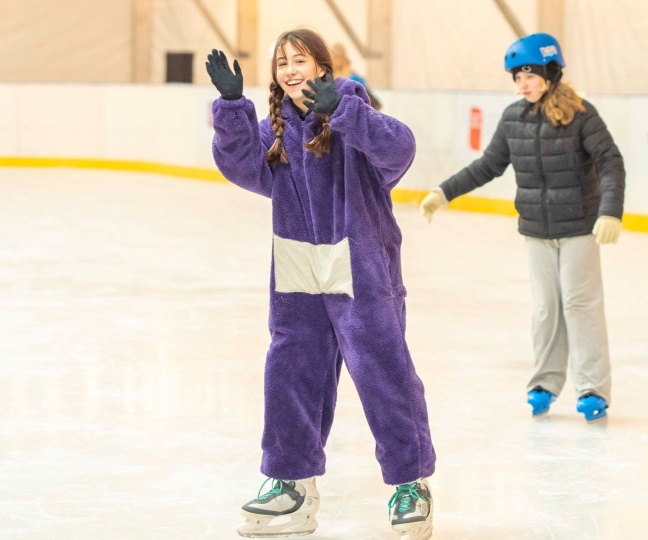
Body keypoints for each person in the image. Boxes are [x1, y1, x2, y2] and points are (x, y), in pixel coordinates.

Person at [205, 28, 435, 539]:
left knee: (383, 373)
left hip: (360, 268)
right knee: (289, 374)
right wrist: (232, 107)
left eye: (300, 60)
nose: (290, 70)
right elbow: (242, 167)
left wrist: (345, 112)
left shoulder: (352, 108)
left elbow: (399, 151)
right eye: (281, 62)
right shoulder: (277, 128)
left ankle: (410, 483)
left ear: (323, 68)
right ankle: (292, 484)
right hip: (298, 269)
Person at [419, 33, 626, 422]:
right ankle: (544, 383)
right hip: (536, 230)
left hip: (579, 226)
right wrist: (444, 192)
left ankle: (592, 389)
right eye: (517, 77)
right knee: (547, 307)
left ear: (550, 72)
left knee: (580, 305)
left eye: (529, 75)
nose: (522, 84)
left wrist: (610, 211)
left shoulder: (582, 115)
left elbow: (610, 162)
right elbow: (488, 165)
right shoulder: (514, 118)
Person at [331, 42, 382, 110]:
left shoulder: (355, 78)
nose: (337, 61)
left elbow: (371, 103)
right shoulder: (328, 77)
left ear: (344, 58)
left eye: (339, 57)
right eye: (334, 58)